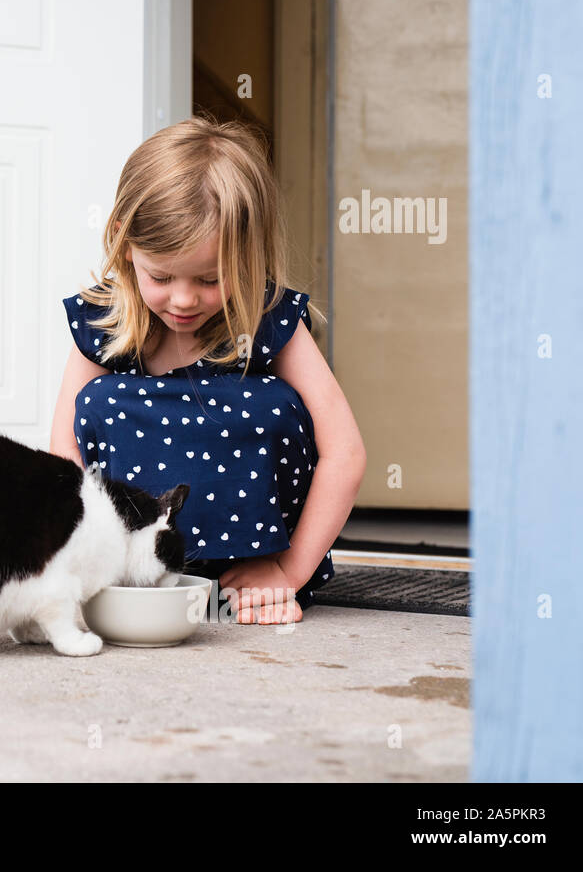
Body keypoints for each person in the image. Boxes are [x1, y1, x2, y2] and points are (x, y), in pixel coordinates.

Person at [51, 115, 367, 624]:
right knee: (98, 401)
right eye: (160, 275)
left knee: (270, 402)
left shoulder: (267, 319)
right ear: (123, 240)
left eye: (209, 278)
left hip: (253, 576)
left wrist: (289, 571)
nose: (182, 299)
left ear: (248, 256)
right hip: (130, 576)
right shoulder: (103, 322)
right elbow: (64, 452)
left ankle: (259, 567)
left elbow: (345, 453)